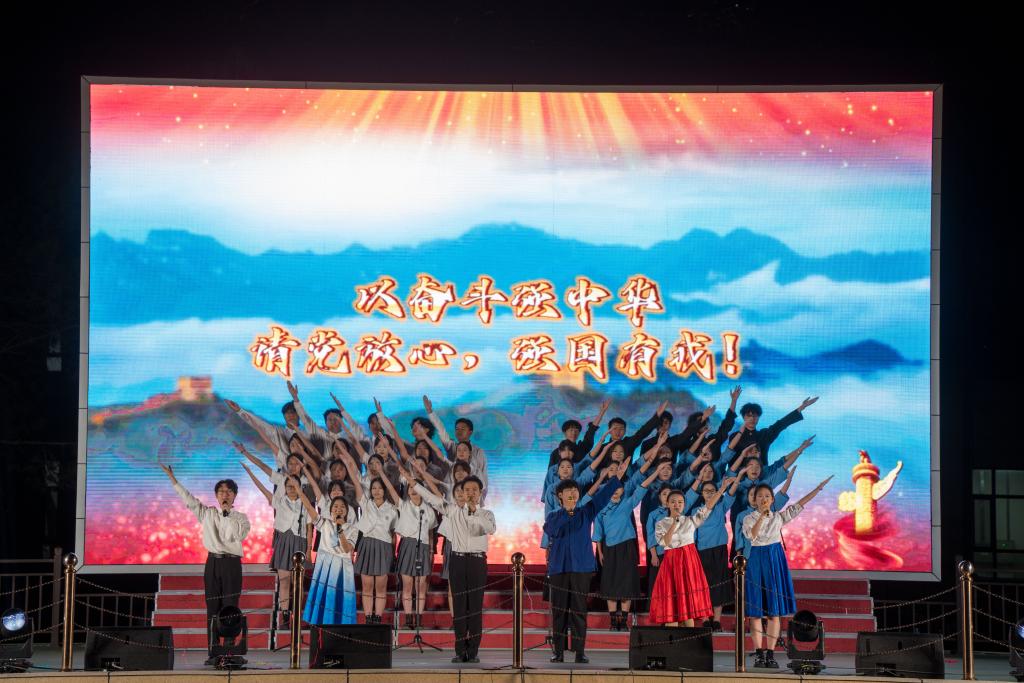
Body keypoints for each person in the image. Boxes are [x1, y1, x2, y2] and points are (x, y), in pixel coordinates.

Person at [160, 464, 250, 664]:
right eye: (221, 491)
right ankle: (213, 651)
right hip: (213, 563)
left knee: (230, 606)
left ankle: (229, 649)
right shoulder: (207, 513)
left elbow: (235, 536)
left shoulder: (241, 518)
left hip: (232, 564)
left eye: (228, 491)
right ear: (216, 496)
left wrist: (227, 514)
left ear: (234, 496)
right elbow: (189, 500)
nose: (224, 494)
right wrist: (173, 479)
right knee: (212, 607)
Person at [743, 476, 833, 668]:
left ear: (772, 499)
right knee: (755, 612)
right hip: (757, 560)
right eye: (760, 496)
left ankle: (770, 653)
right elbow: (752, 536)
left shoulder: (778, 517)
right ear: (754, 500)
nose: (764, 499)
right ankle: (758, 653)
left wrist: (817, 489)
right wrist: (762, 516)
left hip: (775, 559)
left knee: (774, 612)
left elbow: (799, 505)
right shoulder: (748, 518)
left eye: (767, 496)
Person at [408, 471, 495, 664]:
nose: (470, 493)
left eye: (474, 490)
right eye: (467, 490)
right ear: (461, 492)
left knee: (475, 608)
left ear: (480, 492)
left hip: (477, 562)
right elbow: (432, 499)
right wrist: (414, 483)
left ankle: (473, 651)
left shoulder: (487, 514)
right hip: (457, 561)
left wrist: (473, 511)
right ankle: (460, 650)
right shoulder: (452, 511)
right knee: (459, 607)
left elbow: (487, 529)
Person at [544, 468, 620, 663]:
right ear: (560, 496)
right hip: (559, 568)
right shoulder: (553, 516)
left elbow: (603, 497)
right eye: (568, 491)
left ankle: (579, 652)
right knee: (559, 611)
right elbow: (552, 530)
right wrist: (568, 512)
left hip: (581, 569)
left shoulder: (586, 512)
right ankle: (558, 652)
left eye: (575, 490)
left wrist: (615, 478)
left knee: (579, 611)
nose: (573, 493)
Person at [237, 450, 312, 628]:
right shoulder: (279, 502)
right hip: (284, 542)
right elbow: (261, 488)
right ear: (284, 488)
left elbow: (310, 528)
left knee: (298, 583)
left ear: (300, 487)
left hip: (300, 542)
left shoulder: (306, 504)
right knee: (284, 581)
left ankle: (298, 616)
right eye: (289, 486)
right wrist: (249, 472)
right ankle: (285, 616)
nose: (291, 489)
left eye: (294, 486)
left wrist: (309, 550)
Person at [649, 477, 734, 627]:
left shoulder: (690, 520)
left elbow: (707, 507)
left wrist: (722, 489)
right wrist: (674, 524)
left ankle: (690, 636)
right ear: (667, 504)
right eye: (673, 502)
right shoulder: (661, 523)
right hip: (671, 563)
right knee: (672, 604)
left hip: (689, 561)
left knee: (688, 607)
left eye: (680, 502)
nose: (677, 505)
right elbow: (664, 542)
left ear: (684, 505)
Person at [594, 461, 668, 631]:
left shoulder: (626, 504)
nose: (615, 492)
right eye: (612, 489)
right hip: (609, 549)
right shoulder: (601, 508)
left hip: (627, 548)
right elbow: (598, 532)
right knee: (611, 584)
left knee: (626, 584)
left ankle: (623, 620)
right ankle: (613, 621)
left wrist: (656, 471)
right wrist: (600, 552)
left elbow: (642, 487)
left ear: (622, 491)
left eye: (619, 489)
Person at [685, 465, 747, 630]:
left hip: (719, 550)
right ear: (702, 493)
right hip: (702, 551)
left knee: (719, 584)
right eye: (706, 491)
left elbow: (731, 493)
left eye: (712, 491)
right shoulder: (696, 510)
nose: (709, 493)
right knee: (703, 585)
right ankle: (705, 618)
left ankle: (717, 620)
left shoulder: (721, 506)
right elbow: (693, 533)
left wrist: (738, 476)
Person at [379, 463, 438, 629]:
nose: (413, 490)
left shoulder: (429, 510)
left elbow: (431, 532)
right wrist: (382, 473)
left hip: (423, 547)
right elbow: (390, 489)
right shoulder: (403, 505)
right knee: (407, 584)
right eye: (410, 487)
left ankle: (419, 618)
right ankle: (408, 618)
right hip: (407, 546)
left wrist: (431, 550)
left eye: (416, 487)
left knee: (420, 585)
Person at [348, 450, 397, 624]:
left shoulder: (392, 509)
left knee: (381, 586)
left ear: (385, 490)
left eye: (379, 488)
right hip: (366, 545)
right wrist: (348, 464)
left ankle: (378, 617)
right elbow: (356, 481)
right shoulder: (366, 503)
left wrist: (393, 553)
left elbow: (393, 534)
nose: (376, 491)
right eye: (374, 488)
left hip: (383, 547)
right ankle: (368, 617)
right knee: (367, 585)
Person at [298, 487, 358, 625]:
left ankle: (341, 628)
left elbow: (347, 548)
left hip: (343, 569)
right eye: (335, 506)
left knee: (341, 598)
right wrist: (298, 489)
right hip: (325, 565)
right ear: (331, 510)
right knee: (323, 596)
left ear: (347, 511)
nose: (339, 509)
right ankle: (318, 626)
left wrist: (340, 530)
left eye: (342, 507)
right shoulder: (324, 523)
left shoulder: (352, 529)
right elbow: (309, 507)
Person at [730, 396, 819, 465]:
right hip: (739, 479)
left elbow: (780, 424)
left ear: (758, 417)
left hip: (763, 476)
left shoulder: (764, 434)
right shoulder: (735, 436)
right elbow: (730, 459)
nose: (752, 418)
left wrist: (802, 407)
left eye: (755, 416)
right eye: (749, 415)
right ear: (744, 417)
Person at [546, 399, 611, 465]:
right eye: (571, 430)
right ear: (565, 433)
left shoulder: (583, 448)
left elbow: (591, 430)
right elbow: (550, 471)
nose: (574, 433)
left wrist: (602, 412)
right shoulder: (555, 453)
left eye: (576, 431)